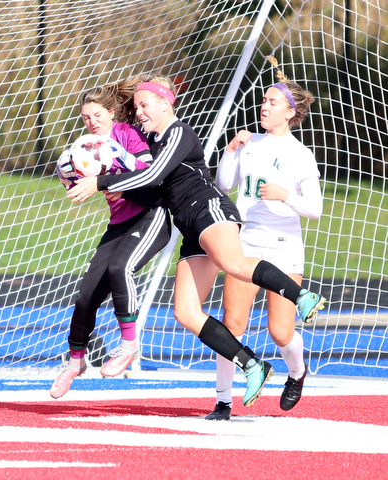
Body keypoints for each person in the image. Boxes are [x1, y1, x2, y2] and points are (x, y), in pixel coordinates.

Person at [66, 74, 326, 408]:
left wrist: (99, 181)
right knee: (186, 312)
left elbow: (154, 175)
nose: (139, 111)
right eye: (137, 106)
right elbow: (134, 159)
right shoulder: (150, 138)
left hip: (208, 210)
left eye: (145, 104)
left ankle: (302, 296)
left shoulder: (179, 132)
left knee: (239, 270)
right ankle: (252, 365)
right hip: (189, 224)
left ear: (166, 102)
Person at [205, 56, 323, 420]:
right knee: (232, 324)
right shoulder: (250, 142)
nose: (264, 106)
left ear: (289, 112)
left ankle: (297, 372)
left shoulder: (300, 155)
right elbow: (225, 184)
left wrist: (285, 195)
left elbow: (315, 208)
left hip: (284, 247)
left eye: (272, 102)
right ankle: (223, 401)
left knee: (280, 331)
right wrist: (230, 151)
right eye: (263, 100)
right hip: (246, 242)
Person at [50, 78, 171, 399]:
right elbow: (74, 180)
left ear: (113, 112)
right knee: (85, 296)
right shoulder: (85, 144)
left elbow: (148, 171)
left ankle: (129, 346)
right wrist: (67, 172)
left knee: (120, 268)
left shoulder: (126, 135)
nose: (92, 123)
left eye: (97, 116)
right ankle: (75, 362)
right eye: (86, 118)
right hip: (118, 223)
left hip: (150, 215)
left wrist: (113, 160)